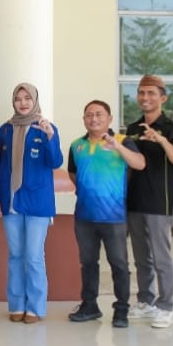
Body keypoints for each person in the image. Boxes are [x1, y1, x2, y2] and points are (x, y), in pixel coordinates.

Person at [67, 100, 145, 328]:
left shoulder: (122, 140)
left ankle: (121, 310)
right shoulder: (76, 145)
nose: (94, 119)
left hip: (114, 217)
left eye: (99, 114)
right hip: (84, 216)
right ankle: (89, 305)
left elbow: (140, 164)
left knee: (119, 264)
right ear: (84, 119)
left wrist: (118, 147)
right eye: (89, 114)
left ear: (110, 118)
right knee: (88, 263)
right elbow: (73, 174)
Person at [0, 82, 62, 323]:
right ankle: (17, 304)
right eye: (18, 98)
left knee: (33, 256)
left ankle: (36, 307)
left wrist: (50, 137)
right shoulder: (5, 130)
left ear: (35, 100)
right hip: (10, 200)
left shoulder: (46, 127)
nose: (22, 103)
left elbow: (55, 162)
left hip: (38, 202)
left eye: (27, 98)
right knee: (15, 255)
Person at [124, 75, 173, 329]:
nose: (145, 97)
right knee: (141, 258)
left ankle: (166, 306)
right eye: (141, 92)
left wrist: (161, 140)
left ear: (163, 97)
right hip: (134, 202)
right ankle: (146, 302)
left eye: (151, 93)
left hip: (160, 203)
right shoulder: (133, 128)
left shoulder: (171, 128)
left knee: (162, 258)